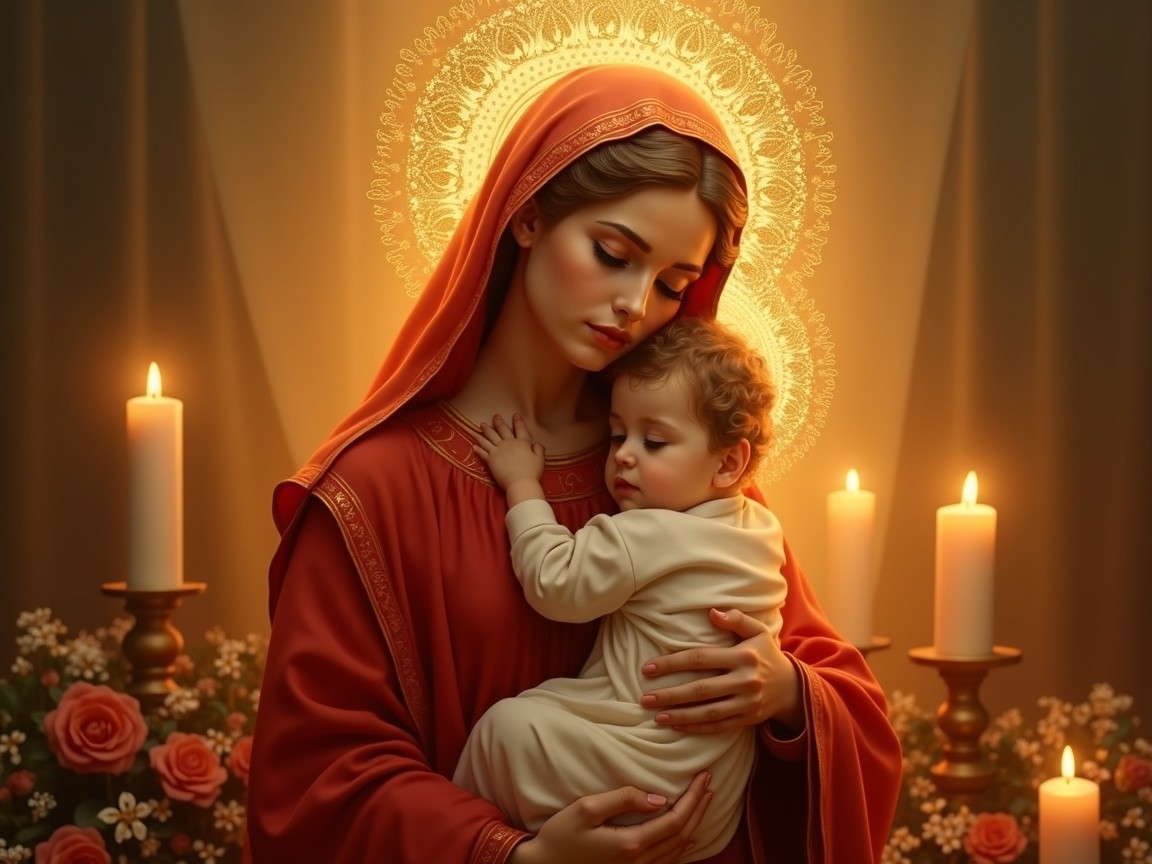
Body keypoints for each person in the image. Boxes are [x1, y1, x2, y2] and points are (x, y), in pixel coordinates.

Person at [246, 63, 902, 864]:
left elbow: (834, 693)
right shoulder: (373, 493)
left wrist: (786, 694)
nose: (636, 304)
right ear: (527, 216)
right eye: (612, 252)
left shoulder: (675, 470)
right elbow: (318, 781)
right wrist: (517, 856)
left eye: (672, 283)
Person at [454, 317, 788, 862]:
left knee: (505, 730)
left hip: (644, 768)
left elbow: (554, 582)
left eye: (653, 441)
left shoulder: (647, 532)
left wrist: (521, 484)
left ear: (729, 462)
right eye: (617, 435)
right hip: (711, 798)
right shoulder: (761, 530)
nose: (625, 455)